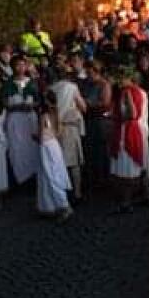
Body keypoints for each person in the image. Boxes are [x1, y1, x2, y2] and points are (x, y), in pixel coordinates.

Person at [108, 67, 149, 213]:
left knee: (129, 168)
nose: (118, 81)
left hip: (130, 131)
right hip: (141, 129)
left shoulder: (128, 92)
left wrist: (118, 117)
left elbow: (132, 114)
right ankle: (145, 194)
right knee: (142, 165)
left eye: (120, 78)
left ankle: (127, 201)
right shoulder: (142, 93)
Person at [49, 70, 87, 201]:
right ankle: (77, 192)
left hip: (54, 127)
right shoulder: (72, 87)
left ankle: (61, 191)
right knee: (74, 162)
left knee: (59, 161)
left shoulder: (51, 89)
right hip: (69, 126)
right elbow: (83, 107)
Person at [35, 91, 74, 221]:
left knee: (50, 175)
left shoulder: (43, 116)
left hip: (46, 146)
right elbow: (58, 132)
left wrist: (35, 137)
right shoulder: (56, 113)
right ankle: (50, 206)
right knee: (56, 172)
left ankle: (63, 205)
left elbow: (41, 135)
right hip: (54, 145)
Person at [3, 55, 40, 186]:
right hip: (15, 120)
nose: (20, 68)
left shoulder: (32, 82)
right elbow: (5, 103)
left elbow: (38, 101)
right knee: (17, 149)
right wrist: (15, 106)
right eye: (17, 65)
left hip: (29, 119)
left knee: (32, 149)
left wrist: (31, 106)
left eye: (22, 65)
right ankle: (19, 179)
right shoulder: (8, 83)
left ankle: (33, 179)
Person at [81, 58, 112, 185]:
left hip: (100, 120)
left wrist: (89, 103)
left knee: (101, 150)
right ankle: (93, 177)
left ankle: (104, 177)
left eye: (89, 72)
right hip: (88, 119)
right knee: (90, 149)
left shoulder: (104, 84)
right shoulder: (86, 84)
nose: (88, 75)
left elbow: (105, 102)